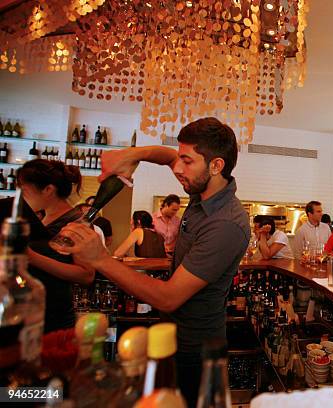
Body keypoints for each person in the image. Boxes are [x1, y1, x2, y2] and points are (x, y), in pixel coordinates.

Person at [55, 117, 250, 408]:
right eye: (180, 159)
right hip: (172, 334)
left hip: (195, 348)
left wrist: (100, 258)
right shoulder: (203, 187)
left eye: (187, 161)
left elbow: (168, 297)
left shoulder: (226, 223)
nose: (177, 168)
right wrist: (133, 154)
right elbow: (167, 156)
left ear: (216, 165)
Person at [16, 159, 95, 332]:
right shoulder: (40, 218)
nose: (20, 196)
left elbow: (86, 274)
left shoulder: (76, 223)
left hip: (54, 316)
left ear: (48, 190)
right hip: (29, 310)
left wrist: (32, 257)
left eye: (24, 190)